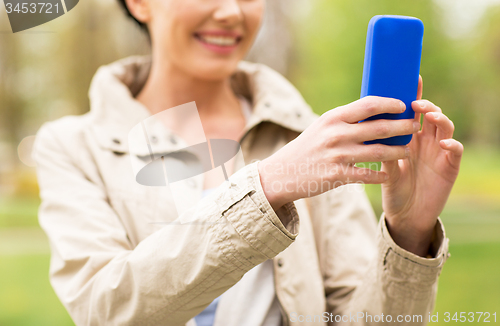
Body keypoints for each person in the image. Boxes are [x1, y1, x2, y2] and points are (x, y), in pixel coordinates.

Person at [33, 0, 463, 325]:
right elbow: (105, 309)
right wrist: (268, 187)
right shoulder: (73, 147)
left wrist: (408, 234)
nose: (231, 12)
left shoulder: (316, 138)